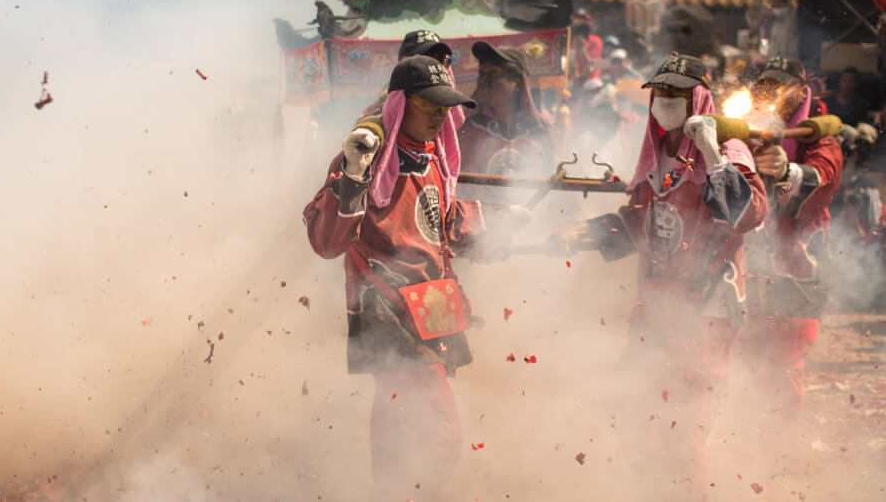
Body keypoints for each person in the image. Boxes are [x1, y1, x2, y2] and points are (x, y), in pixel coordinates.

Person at [303, 55, 530, 500]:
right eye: (430, 105)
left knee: (398, 435)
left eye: (445, 107)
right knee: (438, 437)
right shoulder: (363, 157)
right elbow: (327, 243)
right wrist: (352, 173)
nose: (441, 116)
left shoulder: (433, 158)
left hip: (431, 310)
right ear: (400, 104)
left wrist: (501, 220)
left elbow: (439, 225)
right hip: (388, 310)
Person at [551, 54, 768, 490]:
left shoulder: (729, 151)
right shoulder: (656, 151)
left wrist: (711, 152)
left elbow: (749, 217)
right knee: (634, 412)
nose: (666, 101)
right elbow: (641, 222)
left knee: (683, 430)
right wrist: (587, 232)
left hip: (704, 308)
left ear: (699, 99)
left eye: (677, 94)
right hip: (655, 304)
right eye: (661, 92)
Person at [735, 56, 844, 428]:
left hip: (801, 267)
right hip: (752, 260)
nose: (773, 94)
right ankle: (744, 436)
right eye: (766, 85)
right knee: (744, 354)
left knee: (784, 364)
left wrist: (787, 170)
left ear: (801, 92)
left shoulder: (822, 138)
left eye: (781, 86)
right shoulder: (744, 130)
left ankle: (777, 446)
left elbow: (824, 176)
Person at [458, 41, 553, 178]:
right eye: (481, 74)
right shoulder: (465, 126)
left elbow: (550, 175)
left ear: (517, 82)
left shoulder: (539, 129)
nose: (484, 81)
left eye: (493, 74)